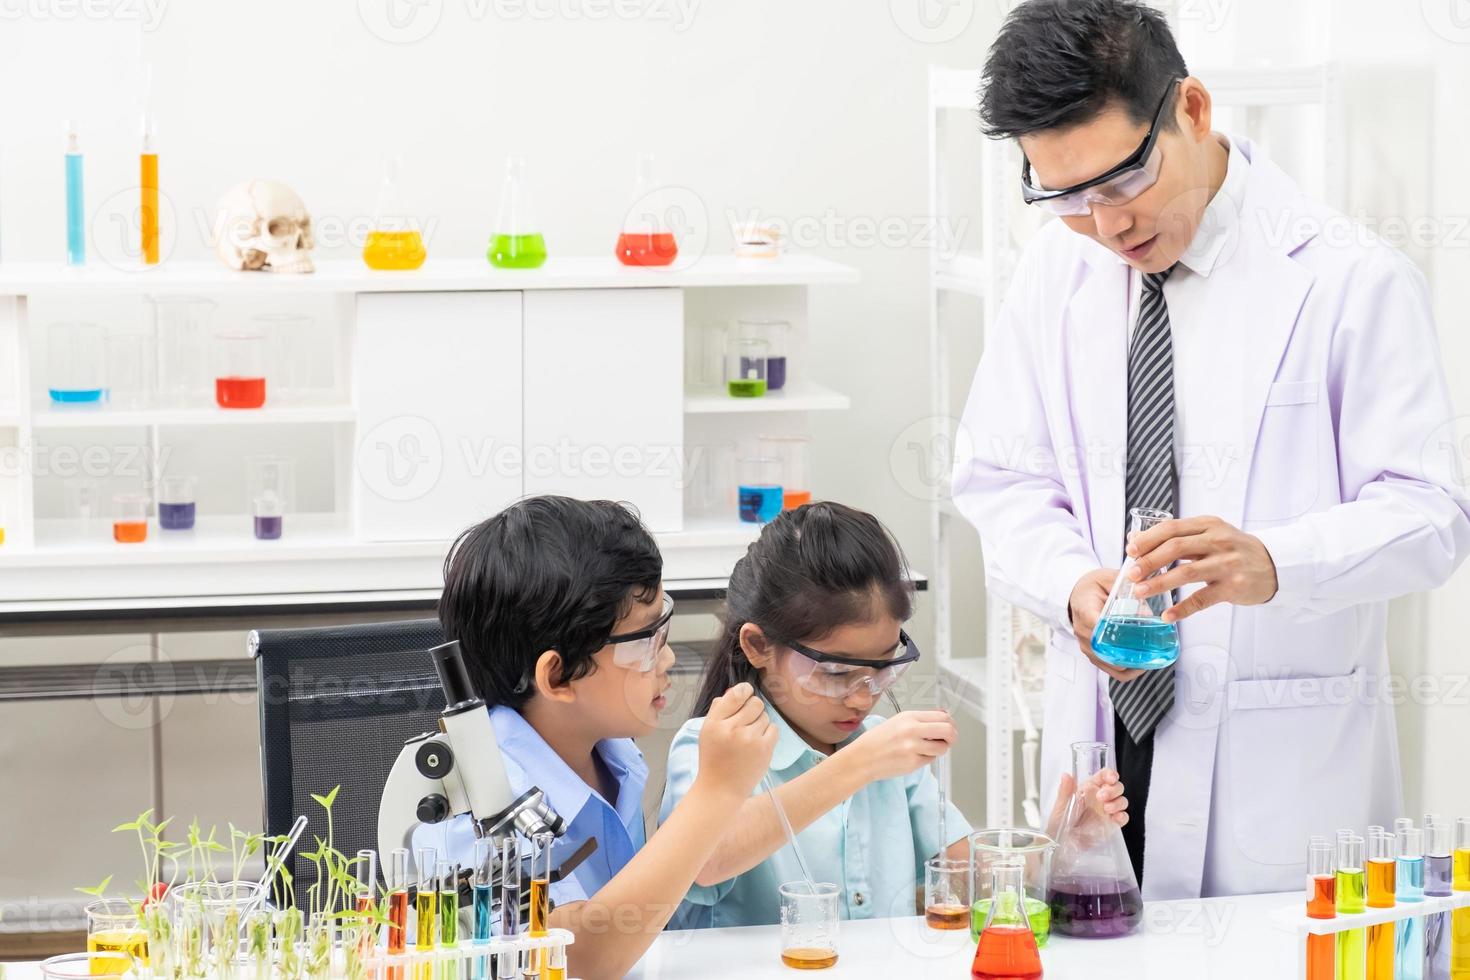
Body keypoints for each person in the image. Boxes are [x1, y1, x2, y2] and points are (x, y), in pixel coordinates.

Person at [951, 0, 1470, 899]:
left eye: (1121, 182)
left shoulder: (1351, 279)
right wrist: (1072, 587)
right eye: (1065, 196)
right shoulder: (1054, 274)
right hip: (1104, 738)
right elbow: (1001, 479)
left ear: (1192, 109)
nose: (1106, 225)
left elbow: (1432, 513)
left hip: (1278, 773)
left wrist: (1274, 560)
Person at [660, 502, 1128, 927]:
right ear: (759, 646)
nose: (863, 697)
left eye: (884, 667)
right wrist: (861, 762)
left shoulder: (889, 761)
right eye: (838, 672)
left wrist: (1063, 842)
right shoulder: (709, 747)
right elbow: (706, 860)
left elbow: (973, 878)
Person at [416, 495, 778, 979]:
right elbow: (582, 958)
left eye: (662, 631)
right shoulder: (475, 807)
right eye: (646, 641)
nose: (666, 660)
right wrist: (718, 790)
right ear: (559, 677)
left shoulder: (615, 754)